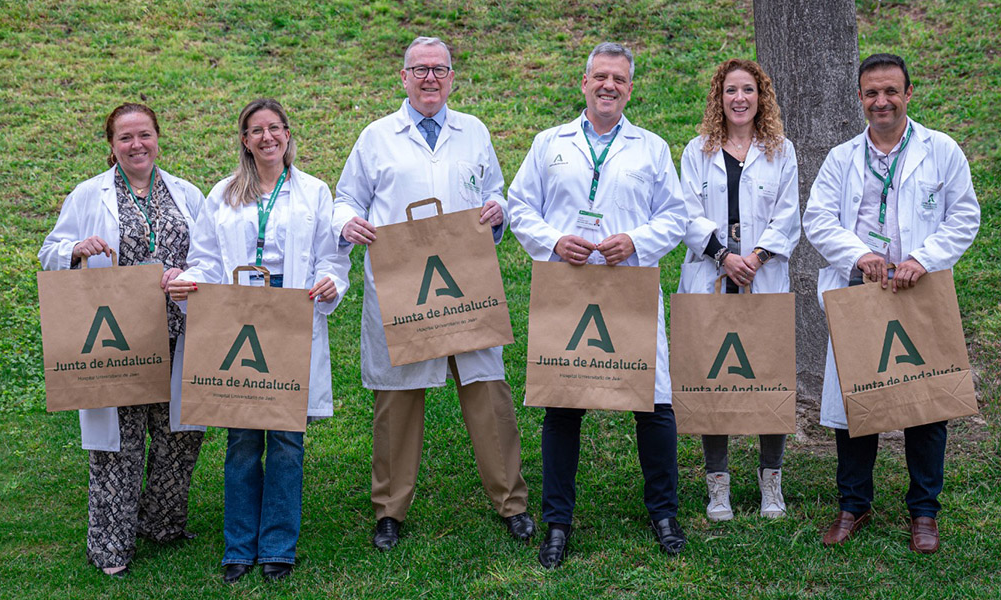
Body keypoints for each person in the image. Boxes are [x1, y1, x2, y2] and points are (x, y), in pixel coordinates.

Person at [333, 36, 533, 551]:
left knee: (488, 391)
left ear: (451, 78)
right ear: (403, 78)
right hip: (403, 286)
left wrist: (497, 212)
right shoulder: (377, 137)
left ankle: (512, 502)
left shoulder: (474, 132)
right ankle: (390, 510)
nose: (429, 78)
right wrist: (347, 223)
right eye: (419, 70)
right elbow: (346, 197)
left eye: (438, 70)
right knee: (397, 401)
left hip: (465, 282)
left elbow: (494, 191)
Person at [507, 42, 688, 568]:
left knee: (652, 403)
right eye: (600, 77)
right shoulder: (548, 143)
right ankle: (557, 522)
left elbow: (673, 217)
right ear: (583, 83)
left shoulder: (650, 147)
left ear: (630, 89)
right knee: (562, 403)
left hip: (627, 284)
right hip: (568, 285)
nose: (609, 86)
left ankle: (664, 513)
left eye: (620, 79)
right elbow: (520, 207)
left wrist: (635, 240)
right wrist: (553, 241)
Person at [803, 53, 980, 554]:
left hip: (918, 291)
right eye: (871, 93)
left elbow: (964, 217)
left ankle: (924, 512)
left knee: (926, 402)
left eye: (890, 92)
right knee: (858, 399)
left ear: (908, 93)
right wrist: (858, 254)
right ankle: (853, 504)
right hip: (861, 290)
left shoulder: (941, 151)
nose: (881, 101)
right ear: (860, 98)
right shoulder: (842, 157)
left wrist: (922, 259)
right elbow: (817, 218)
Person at [166, 98, 350, 582]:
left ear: (288, 135)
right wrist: (189, 280)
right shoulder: (224, 193)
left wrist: (333, 283)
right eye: (256, 130)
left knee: (287, 440)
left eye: (275, 128)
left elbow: (331, 258)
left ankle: (277, 546)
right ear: (244, 140)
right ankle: (238, 545)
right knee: (243, 440)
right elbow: (205, 257)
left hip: (289, 319)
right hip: (237, 322)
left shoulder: (314, 191)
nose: (267, 137)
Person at [38, 103, 206, 578]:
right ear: (111, 145)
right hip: (119, 339)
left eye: (145, 135)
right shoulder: (89, 195)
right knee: (120, 442)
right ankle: (111, 545)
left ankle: (162, 524)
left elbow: (211, 254)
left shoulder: (187, 194)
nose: (137, 145)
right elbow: (50, 250)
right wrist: (75, 248)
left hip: (178, 331)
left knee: (180, 435)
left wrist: (189, 273)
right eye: (126, 137)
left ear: (158, 138)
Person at [678, 58, 800, 522]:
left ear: (760, 96)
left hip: (762, 276)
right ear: (719, 97)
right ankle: (719, 488)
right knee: (714, 379)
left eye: (748, 90)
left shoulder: (780, 150)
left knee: (769, 375)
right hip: (713, 273)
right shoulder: (697, 151)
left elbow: (788, 214)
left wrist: (757, 258)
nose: (740, 99)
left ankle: (771, 485)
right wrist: (724, 256)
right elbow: (686, 211)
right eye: (731, 90)